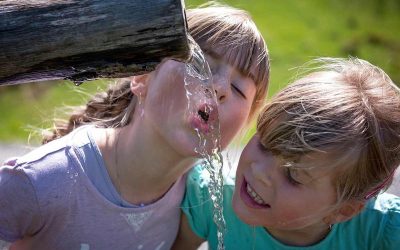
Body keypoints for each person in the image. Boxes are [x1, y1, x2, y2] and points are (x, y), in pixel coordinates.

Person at [0, 4, 270, 250]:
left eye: (238, 89)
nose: (219, 88)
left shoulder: (197, 200)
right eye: (202, 65)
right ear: (142, 77)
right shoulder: (44, 179)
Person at [175, 57, 400, 250]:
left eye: (293, 176)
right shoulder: (211, 200)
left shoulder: (382, 232)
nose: (260, 172)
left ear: (343, 210)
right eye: (264, 145)